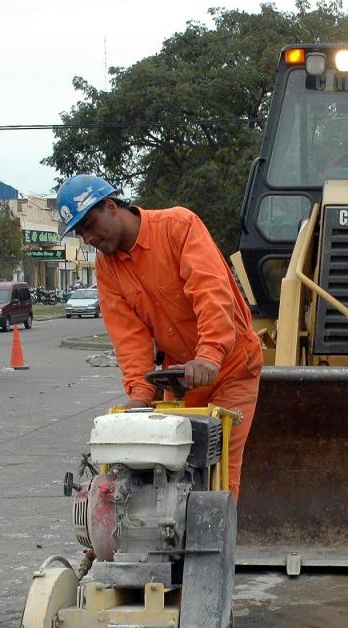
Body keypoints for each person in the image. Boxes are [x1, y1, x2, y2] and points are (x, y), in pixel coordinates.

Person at [56, 174, 262, 501]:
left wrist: (209, 354)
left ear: (111, 206)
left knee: (218, 469)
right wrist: (139, 393)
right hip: (182, 376)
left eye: (90, 225)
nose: (88, 238)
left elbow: (211, 294)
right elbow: (128, 336)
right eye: (81, 233)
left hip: (230, 367)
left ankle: (214, 542)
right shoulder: (107, 267)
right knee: (160, 466)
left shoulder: (178, 227)